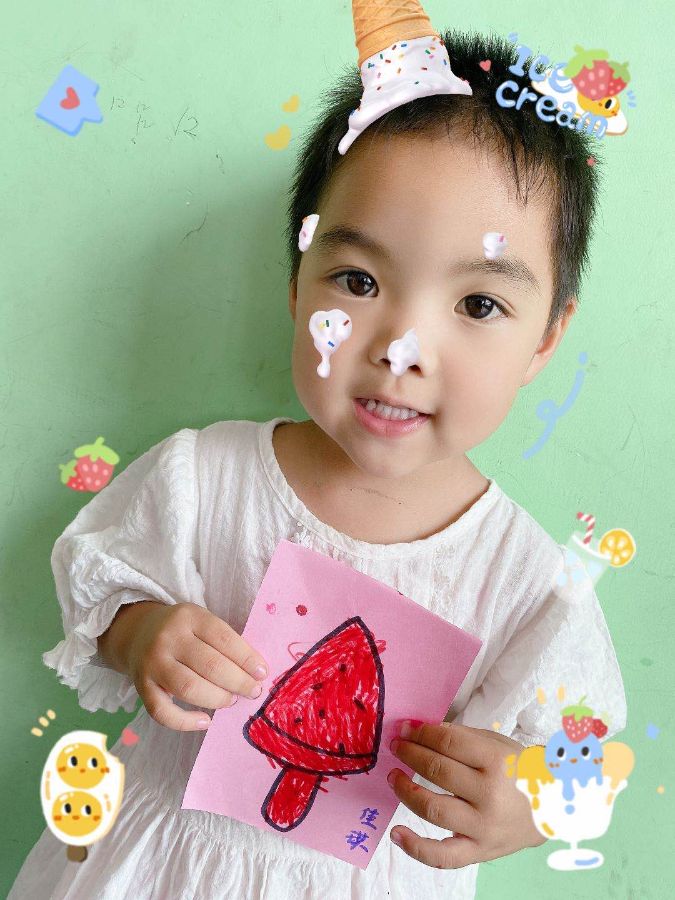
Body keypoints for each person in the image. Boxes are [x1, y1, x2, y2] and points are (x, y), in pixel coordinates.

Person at [10, 28, 626, 900]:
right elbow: (97, 587)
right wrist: (141, 634)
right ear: (298, 284)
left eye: (478, 303)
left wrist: (533, 802)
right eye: (358, 282)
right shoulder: (203, 480)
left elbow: (584, 754)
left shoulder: (527, 580)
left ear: (544, 340)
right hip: (154, 864)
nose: (401, 348)